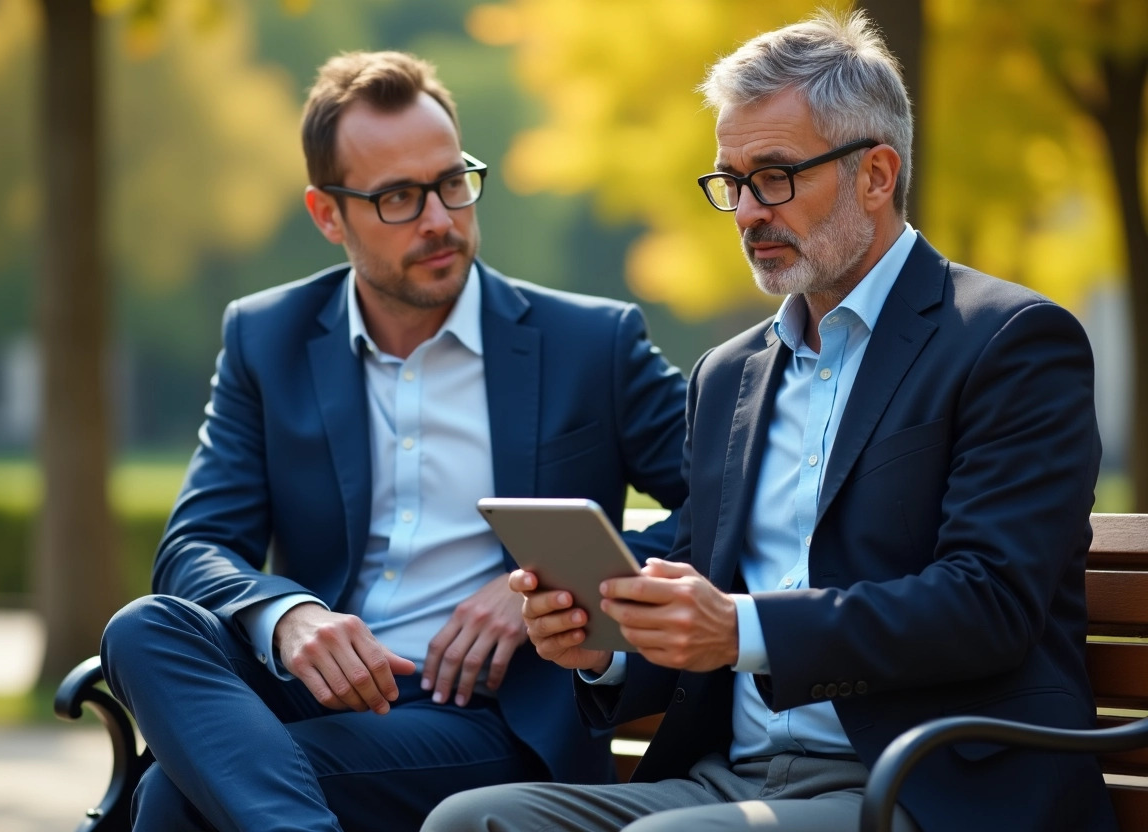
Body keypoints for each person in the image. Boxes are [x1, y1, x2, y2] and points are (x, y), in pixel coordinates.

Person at [422, 10, 1113, 832]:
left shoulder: (1009, 342)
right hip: (731, 776)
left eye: (776, 176)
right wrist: (604, 648)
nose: (747, 211)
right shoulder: (728, 374)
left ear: (877, 174)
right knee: (470, 822)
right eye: (731, 181)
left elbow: (988, 602)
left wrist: (743, 630)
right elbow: (692, 582)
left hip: (927, 779)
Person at [99, 50, 689, 832]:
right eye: (400, 198)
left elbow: (727, 498)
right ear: (327, 215)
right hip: (316, 688)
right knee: (141, 628)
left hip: (487, 715)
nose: (440, 219)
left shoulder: (592, 343)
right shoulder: (265, 337)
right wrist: (289, 617)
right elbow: (196, 545)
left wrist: (556, 587)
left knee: (176, 797)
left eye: (451, 182)